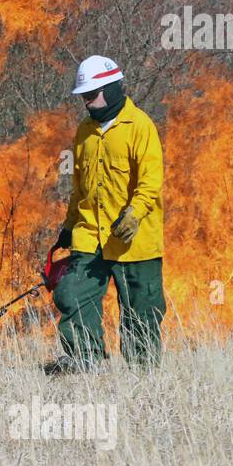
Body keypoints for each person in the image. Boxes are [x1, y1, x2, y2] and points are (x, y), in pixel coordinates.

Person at [46, 55, 166, 373]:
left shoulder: (140, 126)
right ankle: (88, 362)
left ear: (113, 88)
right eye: (84, 95)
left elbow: (150, 181)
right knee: (71, 292)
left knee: (141, 311)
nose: (87, 101)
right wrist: (70, 227)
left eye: (92, 94)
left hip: (133, 242)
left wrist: (134, 215)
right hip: (90, 236)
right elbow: (79, 186)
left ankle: (143, 373)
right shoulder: (84, 131)